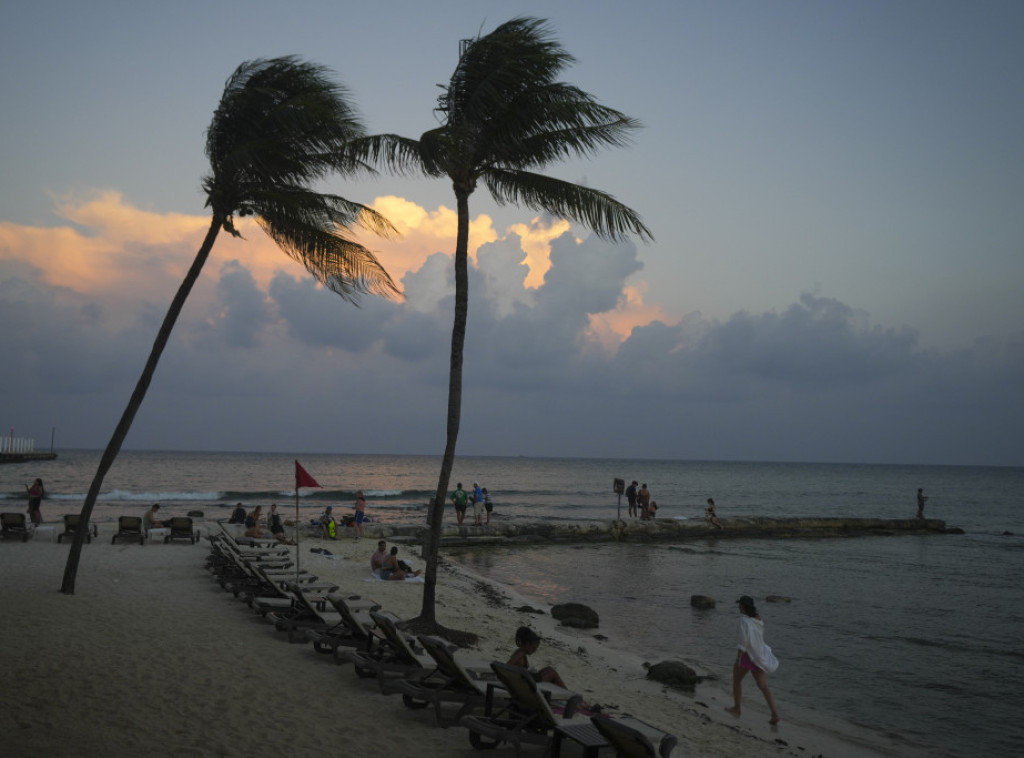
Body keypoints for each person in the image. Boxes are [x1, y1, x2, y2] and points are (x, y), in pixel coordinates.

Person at [725, 595, 780, 725]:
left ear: (743, 606)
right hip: (759, 655)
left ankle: (737, 708)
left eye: (740, 604)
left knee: (736, 681)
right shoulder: (758, 619)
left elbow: (743, 641)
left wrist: (738, 657)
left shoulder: (743, 620)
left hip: (748, 655)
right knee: (764, 686)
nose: (738, 606)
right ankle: (775, 714)